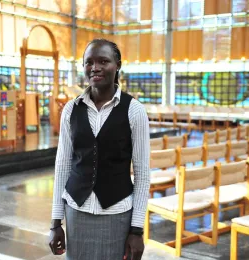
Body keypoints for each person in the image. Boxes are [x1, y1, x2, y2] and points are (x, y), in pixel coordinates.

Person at [48, 38, 150, 260]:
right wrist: (56, 222)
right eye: (89, 62)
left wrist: (137, 230)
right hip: (76, 211)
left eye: (103, 61)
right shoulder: (70, 110)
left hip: (117, 214)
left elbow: (142, 174)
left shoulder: (134, 111)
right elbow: (62, 166)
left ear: (118, 65)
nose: (95, 68)